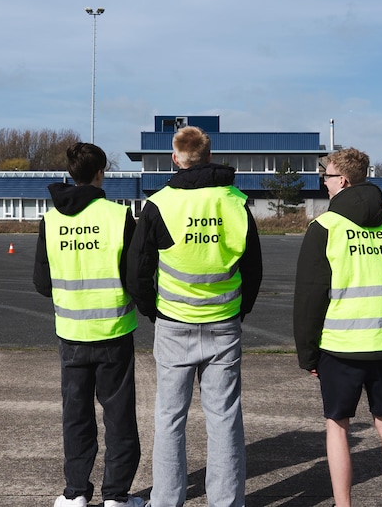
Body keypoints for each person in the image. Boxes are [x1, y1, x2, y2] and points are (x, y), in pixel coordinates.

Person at [125, 125, 263, 507]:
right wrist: (239, 310)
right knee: (225, 417)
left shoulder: (160, 203)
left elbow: (137, 271)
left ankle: (166, 500)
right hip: (224, 322)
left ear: (176, 158)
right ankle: (227, 501)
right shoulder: (235, 202)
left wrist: (154, 311)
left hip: (173, 322)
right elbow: (253, 269)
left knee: (169, 417)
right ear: (208, 154)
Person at [292, 147, 382, 507]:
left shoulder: (325, 227)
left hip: (339, 347)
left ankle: (344, 505)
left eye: (327, 177)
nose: (324, 182)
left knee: (338, 425)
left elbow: (309, 299)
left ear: (343, 181)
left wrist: (308, 354)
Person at [34, 142, 145, 507]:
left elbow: (41, 283)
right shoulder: (118, 217)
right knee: (119, 418)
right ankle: (116, 496)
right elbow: (134, 277)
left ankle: (77, 493)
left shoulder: (50, 220)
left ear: (72, 174)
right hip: (114, 333)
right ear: (100, 174)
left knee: (76, 417)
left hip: (72, 335)